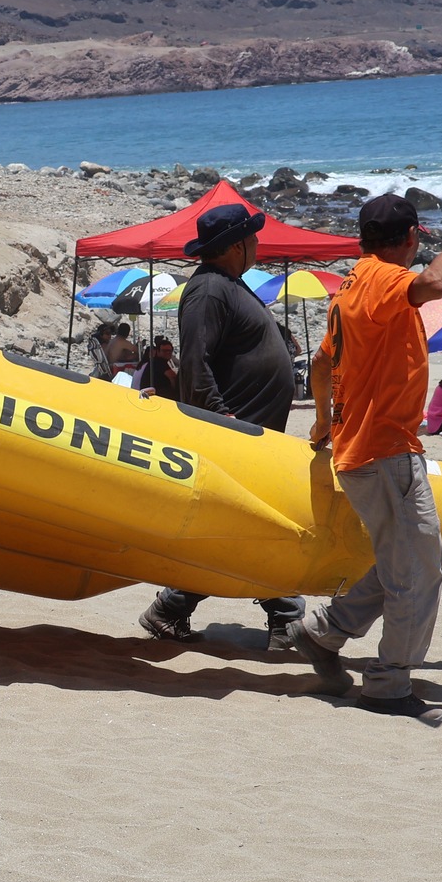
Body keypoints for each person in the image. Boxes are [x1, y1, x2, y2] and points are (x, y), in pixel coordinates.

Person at [283, 192, 442, 724]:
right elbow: (435, 284)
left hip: (360, 452)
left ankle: (322, 633)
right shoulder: (383, 278)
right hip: (385, 451)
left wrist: (321, 420)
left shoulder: (350, 285)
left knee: (404, 560)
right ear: (410, 238)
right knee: (421, 570)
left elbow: (319, 363)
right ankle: (388, 684)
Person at [135, 204, 304, 646]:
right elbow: (194, 360)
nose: (258, 245)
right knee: (257, 528)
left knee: (244, 529)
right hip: (236, 431)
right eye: (252, 238)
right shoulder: (208, 290)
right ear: (234, 246)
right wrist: (219, 418)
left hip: (253, 432)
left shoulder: (228, 285)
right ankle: (286, 616)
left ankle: (175, 608)